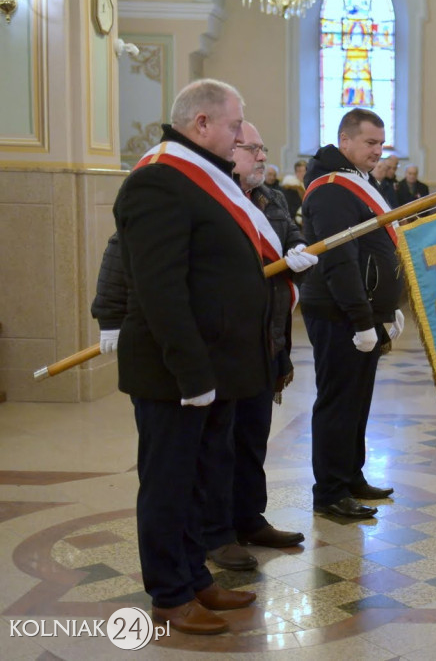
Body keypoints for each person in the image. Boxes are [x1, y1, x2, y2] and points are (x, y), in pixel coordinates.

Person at [112, 79, 306, 635]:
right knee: (169, 485)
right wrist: (191, 372)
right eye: (234, 124)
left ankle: (195, 577)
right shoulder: (159, 182)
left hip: (215, 368)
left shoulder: (204, 182)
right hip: (177, 373)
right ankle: (170, 595)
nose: (241, 134)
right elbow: (160, 289)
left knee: (202, 482)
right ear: (201, 123)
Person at [201, 122, 314, 571]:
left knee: (252, 437)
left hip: (265, 339)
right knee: (218, 443)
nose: (263, 156)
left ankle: (249, 518)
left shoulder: (272, 199)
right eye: (253, 148)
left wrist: (301, 251)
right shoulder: (208, 197)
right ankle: (216, 532)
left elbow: (290, 242)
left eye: (265, 148)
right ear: (230, 152)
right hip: (221, 341)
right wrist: (108, 315)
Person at [300, 108, 405, 519]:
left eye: (381, 143)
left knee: (358, 399)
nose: (377, 151)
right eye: (369, 143)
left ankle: (351, 476)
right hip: (337, 312)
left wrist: (386, 308)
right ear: (345, 142)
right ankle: (329, 492)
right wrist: (362, 319)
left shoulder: (363, 181)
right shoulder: (330, 189)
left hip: (361, 312)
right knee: (338, 401)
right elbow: (340, 260)